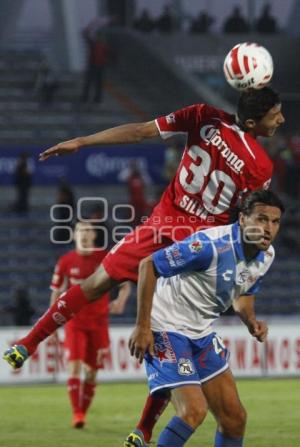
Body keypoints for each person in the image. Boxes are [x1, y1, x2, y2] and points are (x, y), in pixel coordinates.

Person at [3, 87, 285, 446]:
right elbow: (243, 215)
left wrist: (83, 141)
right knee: (175, 326)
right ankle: (146, 428)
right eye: (276, 113)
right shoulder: (261, 165)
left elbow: (139, 132)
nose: (281, 119)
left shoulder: (203, 115)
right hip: (197, 245)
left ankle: (28, 343)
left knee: (95, 284)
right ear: (252, 121)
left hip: (162, 226)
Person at [128, 189, 284, 447]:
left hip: (200, 333)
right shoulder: (209, 246)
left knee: (235, 419)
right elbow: (148, 266)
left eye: (275, 222)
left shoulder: (266, 255)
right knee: (193, 411)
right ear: (243, 219)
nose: (268, 228)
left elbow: (243, 291)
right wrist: (143, 326)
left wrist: (250, 320)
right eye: (261, 219)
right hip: (165, 327)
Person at [49, 220, 130, 428]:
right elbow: (56, 294)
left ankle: (81, 412)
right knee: (74, 366)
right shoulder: (65, 261)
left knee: (92, 372)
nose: (84, 235)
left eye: (87, 231)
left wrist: (120, 301)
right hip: (74, 322)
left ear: (94, 235)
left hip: (99, 323)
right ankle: (77, 414)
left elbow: (124, 285)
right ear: (74, 236)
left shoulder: (104, 258)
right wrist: (51, 324)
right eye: (80, 231)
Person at [81, 25, 108, 103]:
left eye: (100, 36)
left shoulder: (103, 45)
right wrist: (90, 26)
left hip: (100, 66)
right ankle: (85, 98)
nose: (99, 37)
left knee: (98, 84)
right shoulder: (93, 43)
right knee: (89, 82)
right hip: (93, 65)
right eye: (98, 36)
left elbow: (107, 55)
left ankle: (96, 99)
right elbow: (84, 34)